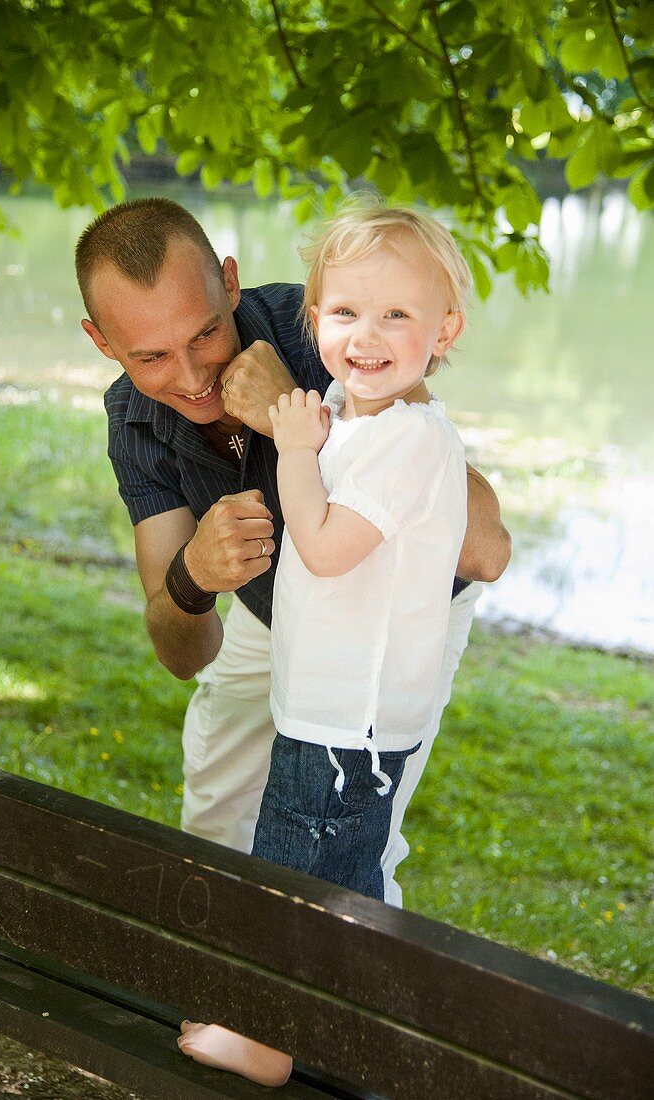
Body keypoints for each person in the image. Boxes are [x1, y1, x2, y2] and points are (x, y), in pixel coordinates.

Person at [75, 196, 510, 906]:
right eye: (150, 356)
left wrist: (294, 422)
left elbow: (486, 550)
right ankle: (232, 994)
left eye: (205, 335)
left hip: (381, 629)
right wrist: (192, 577)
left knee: (349, 841)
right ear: (103, 344)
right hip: (272, 611)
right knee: (219, 818)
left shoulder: (325, 330)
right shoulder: (134, 420)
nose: (189, 377)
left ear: (231, 283)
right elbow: (184, 652)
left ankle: (325, 1004)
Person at [176, 202, 477, 1085]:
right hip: (330, 710)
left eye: (398, 316)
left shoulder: (412, 440)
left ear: (444, 332)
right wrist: (316, 432)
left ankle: (273, 1034)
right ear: (314, 321)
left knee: (303, 871)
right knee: (322, 868)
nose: (368, 335)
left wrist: (292, 448)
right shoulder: (357, 416)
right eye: (345, 312)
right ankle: (342, 1029)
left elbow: (325, 545)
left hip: (354, 722)